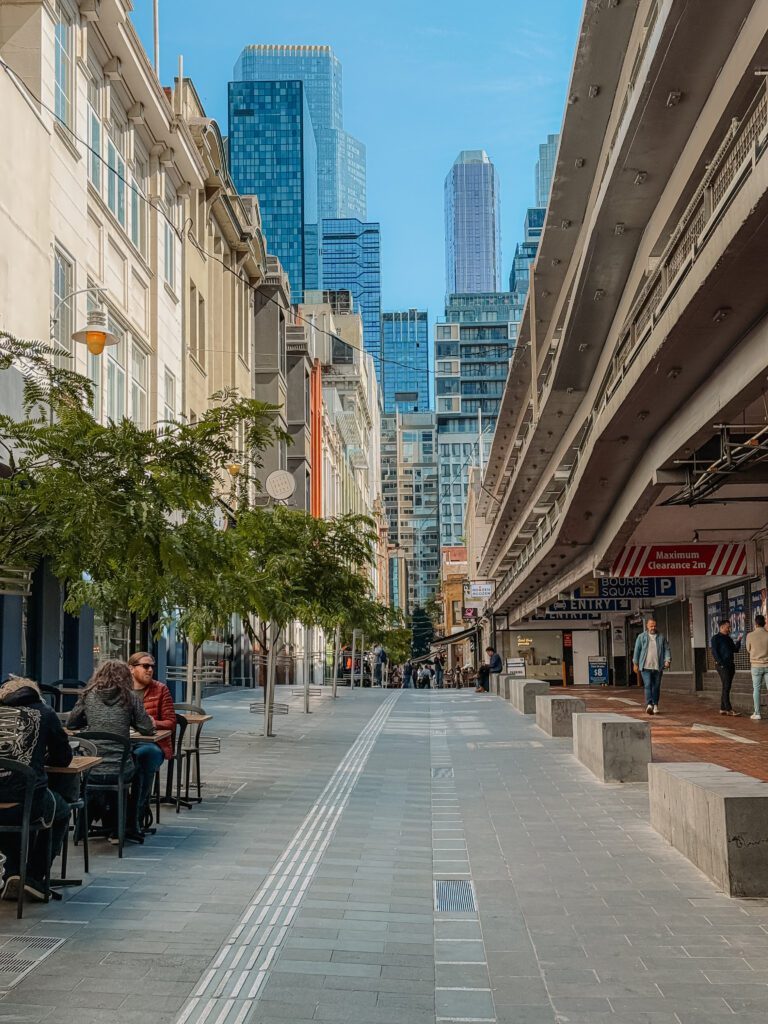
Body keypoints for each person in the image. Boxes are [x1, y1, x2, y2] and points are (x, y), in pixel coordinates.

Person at [0, 676, 73, 900]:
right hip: (27, 803)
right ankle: (33, 877)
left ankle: (12, 872)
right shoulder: (45, 713)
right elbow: (63, 759)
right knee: (61, 811)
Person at [68, 660, 154, 842]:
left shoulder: (87, 695)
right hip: (121, 770)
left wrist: (92, 723)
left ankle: (83, 829)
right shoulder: (130, 697)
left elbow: (71, 723)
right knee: (140, 770)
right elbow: (146, 728)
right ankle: (130, 824)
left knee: (94, 774)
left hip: (92, 769)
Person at [128, 652, 176, 828]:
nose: (150, 670)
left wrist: (151, 722)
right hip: (126, 742)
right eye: (145, 666)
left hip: (153, 744)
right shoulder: (122, 689)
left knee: (144, 756)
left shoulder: (161, 689)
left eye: (152, 667)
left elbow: (171, 722)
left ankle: (136, 816)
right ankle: (114, 815)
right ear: (132, 669)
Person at [632, 619, 671, 714]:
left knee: (656, 686)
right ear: (647, 626)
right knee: (648, 684)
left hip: (658, 666)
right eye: (651, 626)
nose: (653, 628)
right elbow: (637, 651)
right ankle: (649, 704)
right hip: (645, 667)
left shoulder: (661, 637)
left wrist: (667, 660)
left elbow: (667, 649)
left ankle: (655, 705)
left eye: (654, 626)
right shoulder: (641, 637)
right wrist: (635, 663)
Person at [711, 619, 741, 716]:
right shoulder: (715, 638)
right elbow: (714, 652)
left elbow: (735, 650)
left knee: (726, 687)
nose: (729, 629)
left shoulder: (728, 638)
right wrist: (721, 663)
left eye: (730, 627)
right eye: (728, 627)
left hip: (730, 665)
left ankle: (722, 708)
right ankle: (728, 709)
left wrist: (739, 641)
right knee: (726, 686)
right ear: (722, 627)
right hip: (722, 666)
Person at [746, 614, 768, 721]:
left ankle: (757, 713)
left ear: (756, 623)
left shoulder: (750, 635)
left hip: (755, 666)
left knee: (756, 689)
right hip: (767, 665)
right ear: (765, 623)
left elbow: (748, 649)